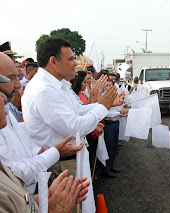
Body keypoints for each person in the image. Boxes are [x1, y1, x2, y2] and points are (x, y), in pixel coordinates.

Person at [21, 37, 120, 184]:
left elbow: (79, 110)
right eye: (71, 59)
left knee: (82, 204)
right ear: (53, 61)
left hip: (70, 161)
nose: (75, 64)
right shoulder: (44, 90)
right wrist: (102, 107)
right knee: (72, 206)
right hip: (61, 165)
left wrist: (107, 104)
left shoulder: (59, 85)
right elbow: (76, 127)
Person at [0, 52, 84, 194]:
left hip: (27, 193)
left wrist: (38, 151)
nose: (18, 83)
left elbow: (20, 141)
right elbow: (12, 172)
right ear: (53, 61)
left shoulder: (6, 105)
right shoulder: (43, 90)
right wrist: (54, 153)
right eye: (11, 78)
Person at [0, 87, 90, 212]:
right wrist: (54, 153)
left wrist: (44, 198)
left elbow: (24, 142)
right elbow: (15, 173)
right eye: (11, 78)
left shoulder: (7, 113)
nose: (4, 98)